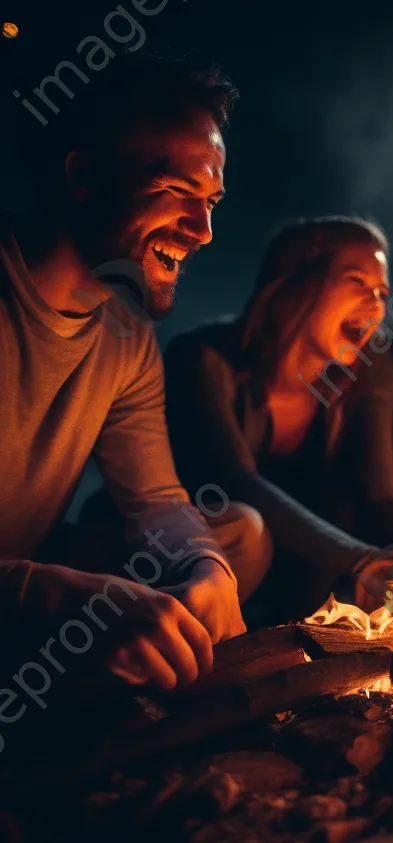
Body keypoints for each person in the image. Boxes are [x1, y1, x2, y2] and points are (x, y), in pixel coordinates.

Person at [0, 57, 262, 697]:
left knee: (235, 538)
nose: (202, 231)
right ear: (83, 176)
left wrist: (206, 570)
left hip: (28, 577)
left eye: (211, 202)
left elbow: (157, 502)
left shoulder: (125, 336)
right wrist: (71, 601)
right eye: (177, 190)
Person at [164, 217, 393, 622]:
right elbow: (236, 481)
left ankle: (292, 654)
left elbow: (379, 490)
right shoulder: (203, 360)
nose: (376, 303)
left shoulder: (366, 369)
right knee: (250, 525)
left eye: (383, 292)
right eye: (356, 281)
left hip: (289, 574)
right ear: (297, 281)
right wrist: (363, 560)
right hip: (181, 557)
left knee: (340, 502)